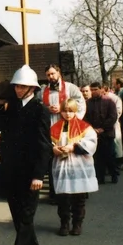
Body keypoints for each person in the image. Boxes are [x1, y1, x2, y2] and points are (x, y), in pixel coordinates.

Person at [0, 65, 52, 245]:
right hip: (10, 171)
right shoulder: (12, 106)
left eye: (22, 86)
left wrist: (38, 175)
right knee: (18, 216)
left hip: (30, 173)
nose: (18, 89)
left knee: (25, 216)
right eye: (16, 86)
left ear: (31, 88)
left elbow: (44, 146)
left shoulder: (40, 110)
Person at [50, 98, 98, 236]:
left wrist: (73, 147)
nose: (67, 114)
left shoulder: (84, 127)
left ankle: (77, 224)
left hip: (79, 165)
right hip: (62, 165)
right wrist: (54, 149)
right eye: (64, 111)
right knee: (62, 198)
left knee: (79, 198)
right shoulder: (55, 127)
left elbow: (91, 142)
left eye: (70, 111)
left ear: (75, 111)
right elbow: (48, 142)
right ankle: (64, 223)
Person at [40, 64, 85, 204]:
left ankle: (73, 193)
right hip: (51, 129)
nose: (50, 77)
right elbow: (38, 106)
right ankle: (55, 194)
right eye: (48, 75)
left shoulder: (71, 88)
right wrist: (47, 109)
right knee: (53, 162)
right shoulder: (43, 90)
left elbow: (80, 103)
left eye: (53, 73)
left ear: (59, 72)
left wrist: (63, 108)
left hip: (67, 128)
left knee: (69, 161)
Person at [84, 82, 119, 184]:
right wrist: (91, 128)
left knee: (110, 156)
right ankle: (100, 177)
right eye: (92, 90)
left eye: (96, 89)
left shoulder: (109, 101)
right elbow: (85, 118)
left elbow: (113, 117)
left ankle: (114, 175)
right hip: (94, 134)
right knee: (98, 158)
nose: (94, 92)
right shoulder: (88, 103)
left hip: (107, 134)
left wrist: (103, 128)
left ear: (101, 89)